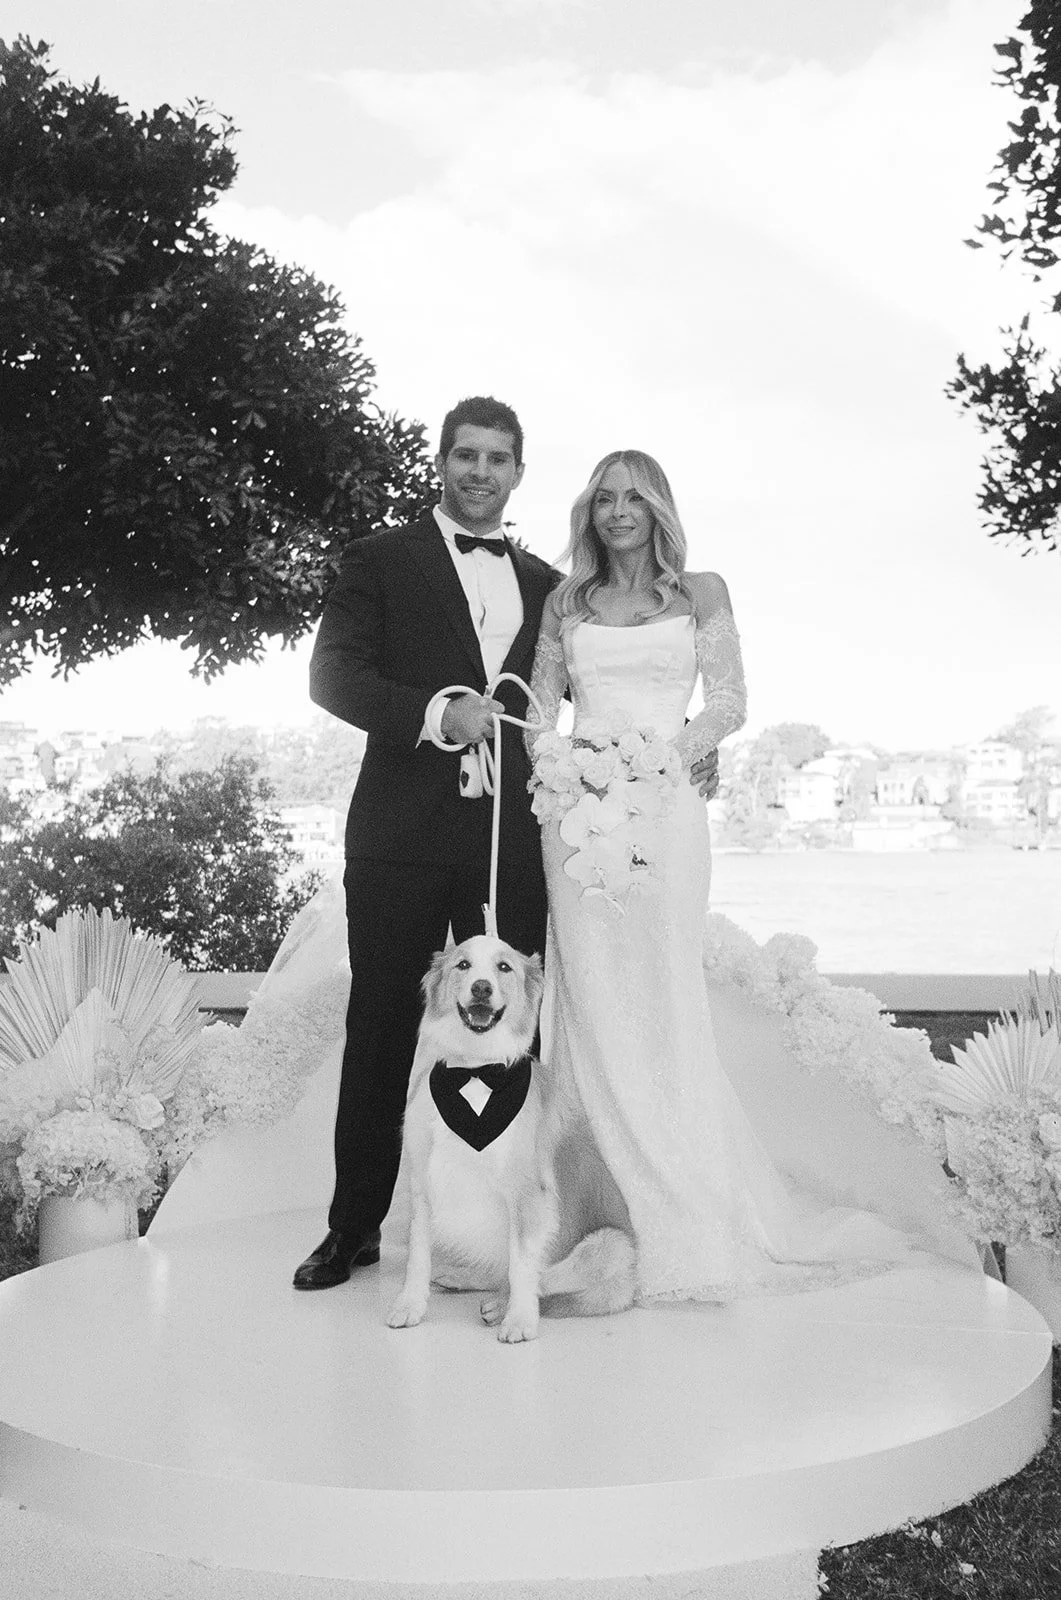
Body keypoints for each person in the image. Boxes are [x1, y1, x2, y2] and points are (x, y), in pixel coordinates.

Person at [526, 450, 979, 1301]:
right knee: (587, 1006)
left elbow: (730, 701)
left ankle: (686, 1214)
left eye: (635, 496)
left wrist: (659, 759)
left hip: (662, 813)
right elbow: (538, 716)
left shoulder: (702, 592)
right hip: (574, 820)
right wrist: (563, 764)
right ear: (589, 511)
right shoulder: (565, 602)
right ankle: (591, 1211)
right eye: (605, 498)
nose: (618, 510)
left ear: (658, 508)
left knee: (662, 997)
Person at [291, 405, 720, 1290]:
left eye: (498, 459)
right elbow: (332, 675)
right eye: (466, 456)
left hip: (514, 840)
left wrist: (690, 746)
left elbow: (601, 687)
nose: (481, 472)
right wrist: (434, 713)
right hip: (400, 837)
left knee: (518, 1034)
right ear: (442, 462)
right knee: (379, 1027)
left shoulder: (548, 584)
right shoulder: (380, 560)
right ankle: (353, 1228)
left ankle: (512, 1234)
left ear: (519, 472)